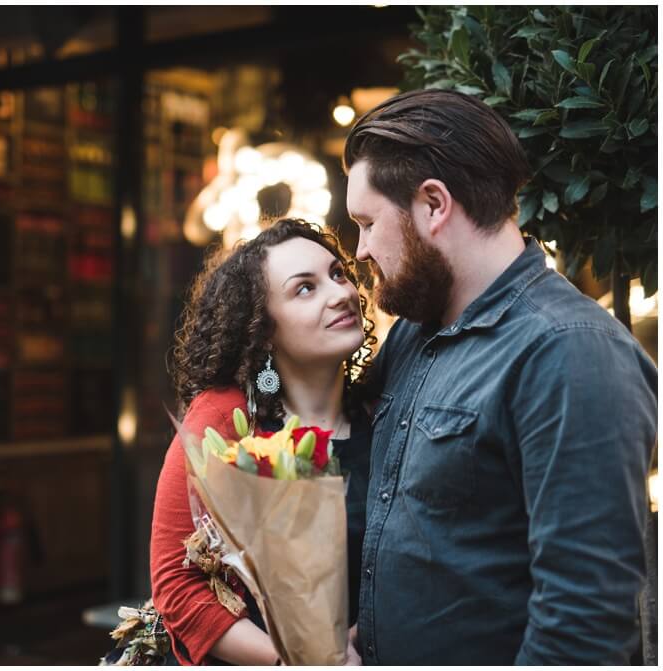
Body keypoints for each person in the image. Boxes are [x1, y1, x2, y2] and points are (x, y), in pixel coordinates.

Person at [342, 89, 658, 665]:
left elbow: (583, 625)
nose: (360, 249)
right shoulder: (415, 330)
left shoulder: (571, 353)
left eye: (366, 223)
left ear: (434, 205)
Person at [148, 218, 373, 665]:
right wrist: (294, 660)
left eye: (337, 274)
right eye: (305, 289)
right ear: (264, 329)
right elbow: (177, 583)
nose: (339, 294)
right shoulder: (227, 419)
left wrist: (356, 636)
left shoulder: (385, 415)